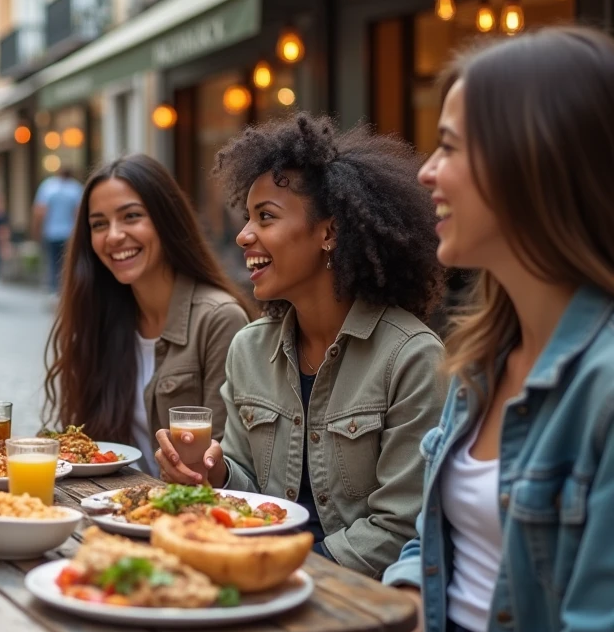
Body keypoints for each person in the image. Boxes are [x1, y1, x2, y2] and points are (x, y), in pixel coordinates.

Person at [298, 27, 614, 632]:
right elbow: (428, 546)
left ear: (534, 163)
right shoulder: (481, 355)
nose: (424, 172)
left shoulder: (603, 385)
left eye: (449, 146)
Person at [157, 115, 446, 577]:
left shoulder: (411, 358)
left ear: (328, 232)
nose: (243, 235)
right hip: (259, 575)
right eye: (247, 217)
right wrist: (214, 472)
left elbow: (400, 529)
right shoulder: (249, 349)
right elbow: (246, 487)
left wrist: (284, 568)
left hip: (357, 604)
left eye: (265, 217)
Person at [44, 154, 253, 477]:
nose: (113, 236)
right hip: (109, 506)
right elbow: (86, 447)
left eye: (131, 216)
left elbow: (222, 462)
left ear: (165, 219)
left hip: (185, 516)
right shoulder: (101, 316)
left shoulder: (219, 318)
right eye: (99, 224)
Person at [33, 166, 84, 294]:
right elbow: (78, 213)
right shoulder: (76, 188)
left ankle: (55, 292)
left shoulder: (48, 186)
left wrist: (36, 231)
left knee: (52, 263)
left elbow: (40, 212)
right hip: (69, 233)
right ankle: (67, 291)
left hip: (51, 232)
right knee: (69, 263)